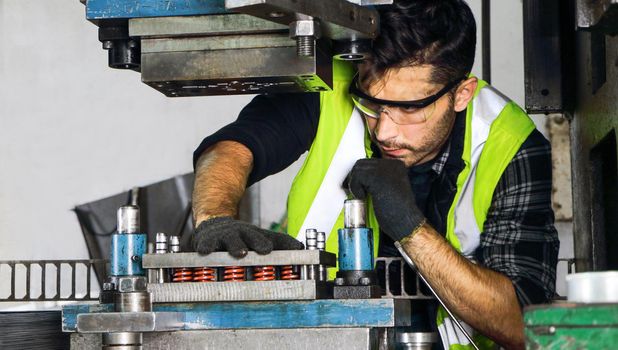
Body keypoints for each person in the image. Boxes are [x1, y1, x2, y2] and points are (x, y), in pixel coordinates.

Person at [191, 0, 559, 348]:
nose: (384, 131)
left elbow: (524, 327)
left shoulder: (511, 146)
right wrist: (214, 217)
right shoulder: (330, 85)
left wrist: (409, 227)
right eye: (371, 103)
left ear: (461, 94)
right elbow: (231, 147)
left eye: (410, 109)